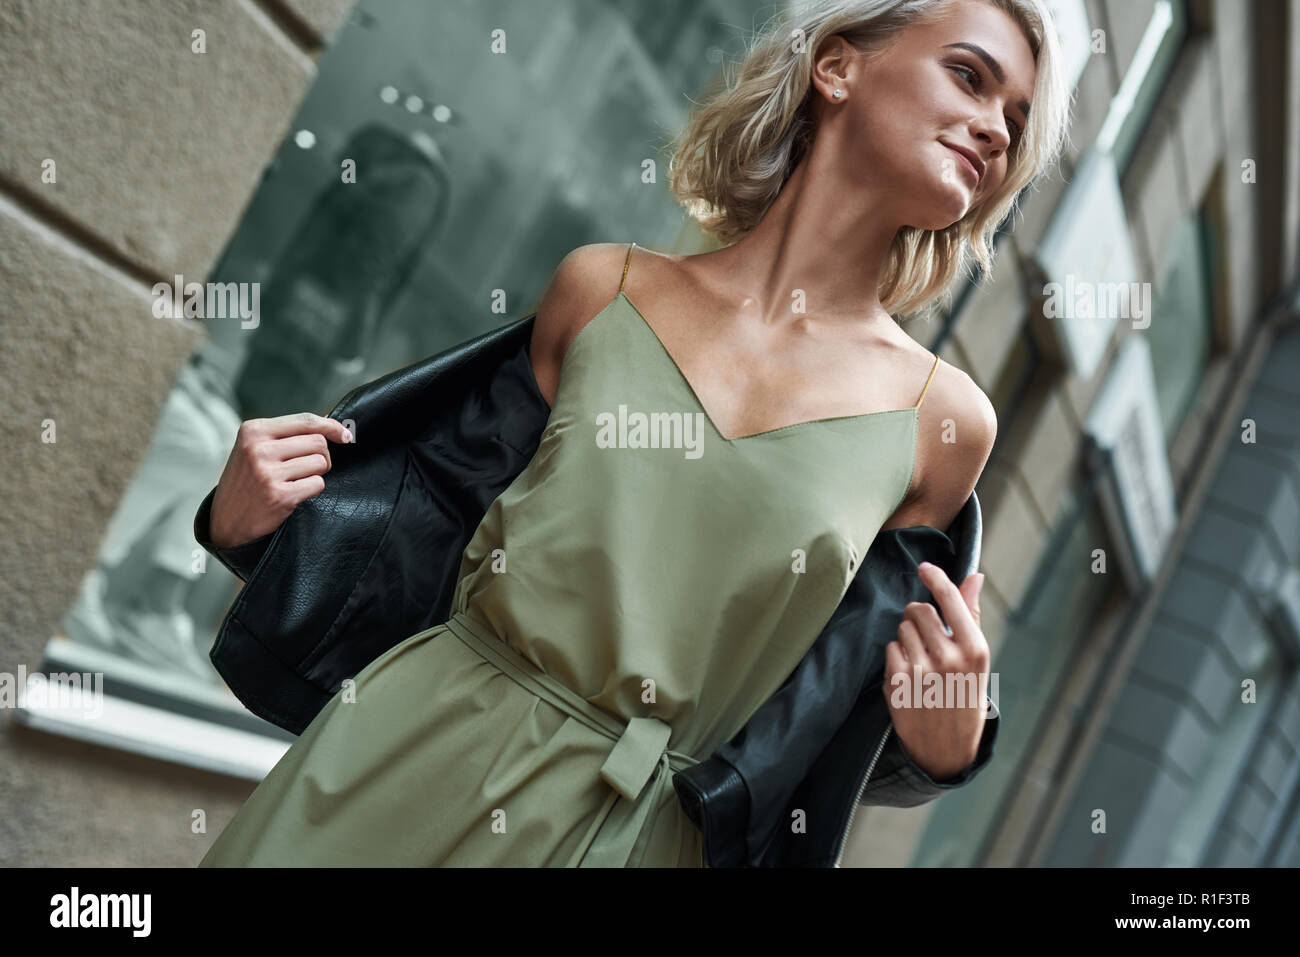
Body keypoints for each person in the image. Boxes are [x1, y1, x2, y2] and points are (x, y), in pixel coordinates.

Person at [199, 0, 1069, 867]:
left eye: (1016, 121)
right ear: (837, 67)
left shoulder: (942, 421)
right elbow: (426, 539)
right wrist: (257, 527)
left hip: (645, 838)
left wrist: (938, 750)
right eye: (969, 76)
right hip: (404, 758)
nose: (995, 131)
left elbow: (821, 718)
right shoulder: (603, 289)